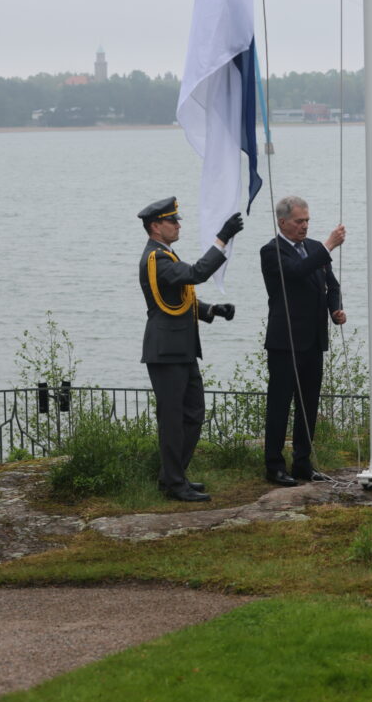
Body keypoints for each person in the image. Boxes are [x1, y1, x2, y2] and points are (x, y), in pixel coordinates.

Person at [138, 196, 242, 502]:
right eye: (172, 221)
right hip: (167, 351)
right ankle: (173, 483)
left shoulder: (166, 256)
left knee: (194, 413)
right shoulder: (156, 259)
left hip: (181, 349)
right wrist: (222, 238)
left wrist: (212, 310)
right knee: (172, 419)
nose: (177, 224)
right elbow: (196, 273)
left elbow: (179, 300)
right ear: (156, 226)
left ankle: (174, 475)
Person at [260, 196, 346, 486]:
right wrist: (328, 246)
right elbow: (297, 273)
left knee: (308, 405)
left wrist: (335, 309)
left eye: (307, 220)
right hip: (285, 342)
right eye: (299, 221)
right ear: (282, 222)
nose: (304, 226)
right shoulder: (271, 252)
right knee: (280, 404)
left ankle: (302, 463)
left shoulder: (312, 249)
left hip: (313, 340)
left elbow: (330, 285)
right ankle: (274, 466)